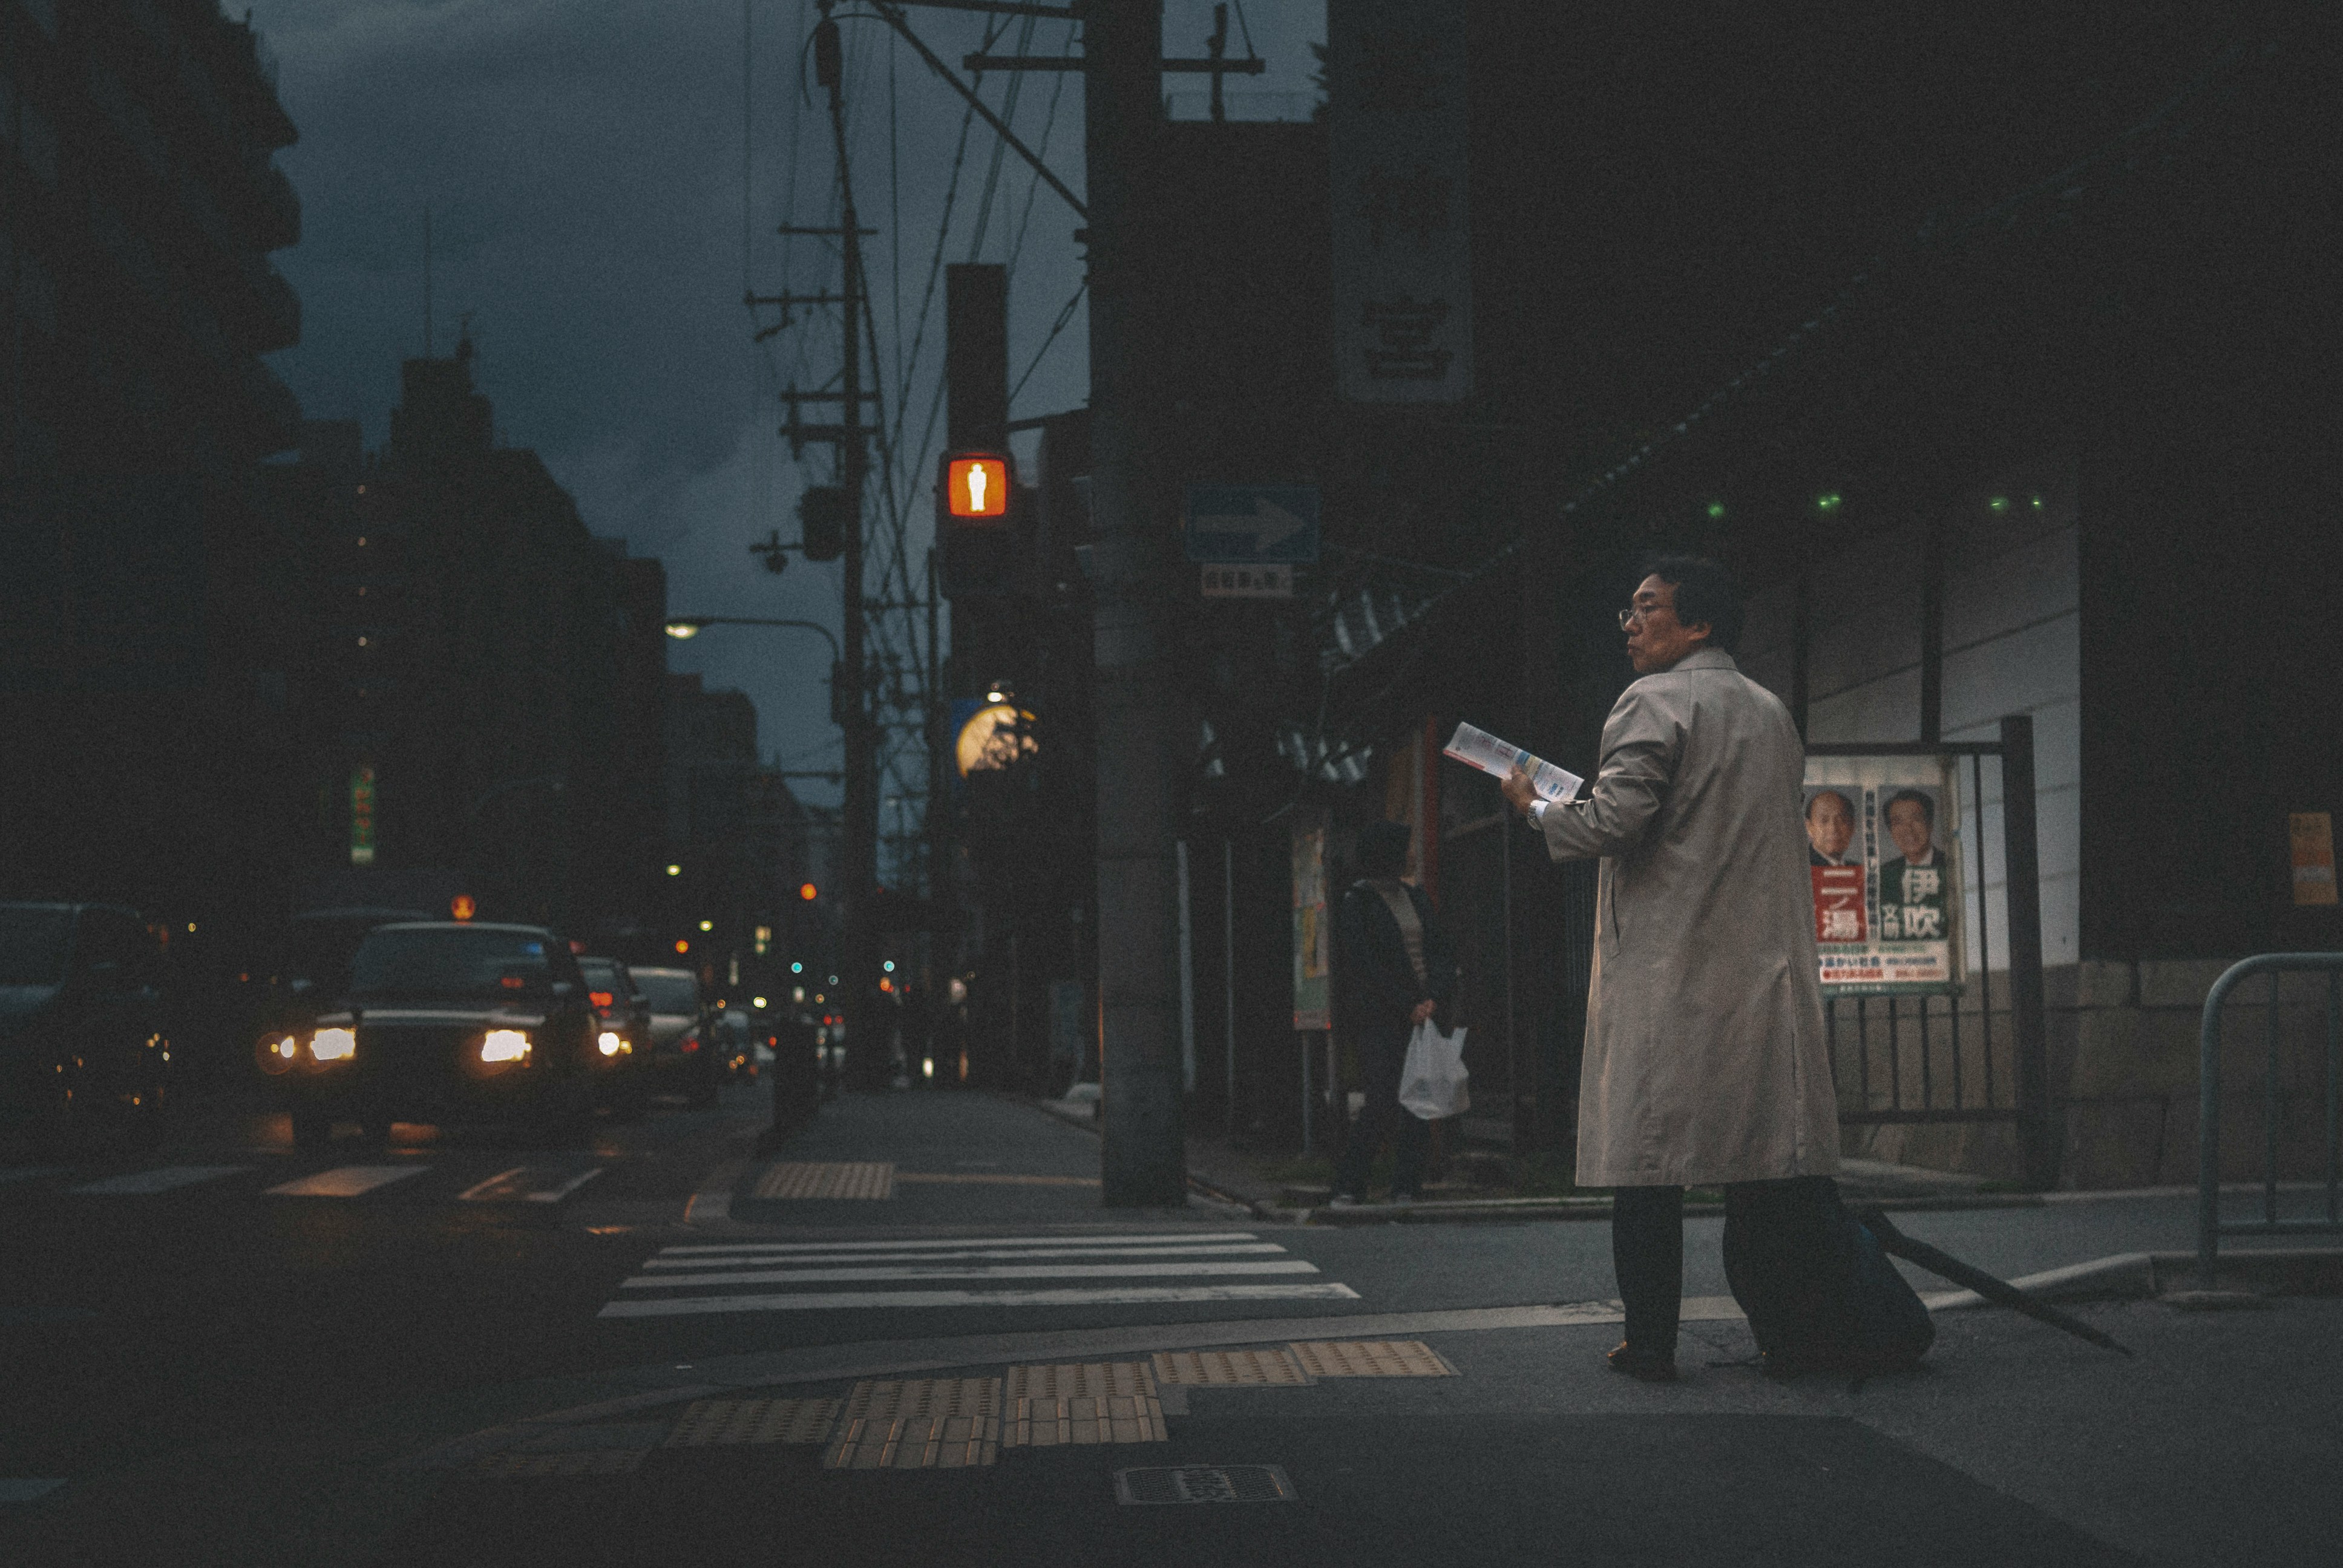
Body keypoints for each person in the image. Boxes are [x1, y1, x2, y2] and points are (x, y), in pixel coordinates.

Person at [1502, 555, 1843, 1382]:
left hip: (1671, 974)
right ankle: (1786, 1336)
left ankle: (1650, 1341)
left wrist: (1538, 806)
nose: (1629, 623)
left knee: (1648, 1171)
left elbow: (1611, 822)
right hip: (1759, 973)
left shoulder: (1654, 700)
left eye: (1646, 608)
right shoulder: (1768, 711)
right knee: (1758, 1167)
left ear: (1697, 625)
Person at [1328, 820, 1456, 1207]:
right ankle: (1350, 1184)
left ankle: (1406, 1185)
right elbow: (1364, 966)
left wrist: (1433, 997)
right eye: (1405, 848)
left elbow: (1437, 951)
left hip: (1424, 1012)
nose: (1411, 855)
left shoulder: (1416, 898)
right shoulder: (1358, 903)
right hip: (1379, 1016)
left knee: (1418, 1100)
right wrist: (1408, 1004)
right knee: (1382, 1098)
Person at [1876, 789, 1948, 941]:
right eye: (1898, 822)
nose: (1908, 830)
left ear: (1930, 824)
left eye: (1916, 819)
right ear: (1891, 831)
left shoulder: (1950, 866)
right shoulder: (1884, 874)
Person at [1804, 789, 1856, 866]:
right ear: (1809, 827)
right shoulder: (1802, 866)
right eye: (1824, 821)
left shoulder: (1857, 869)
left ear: (1852, 827)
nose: (1833, 828)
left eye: (1841, 820)